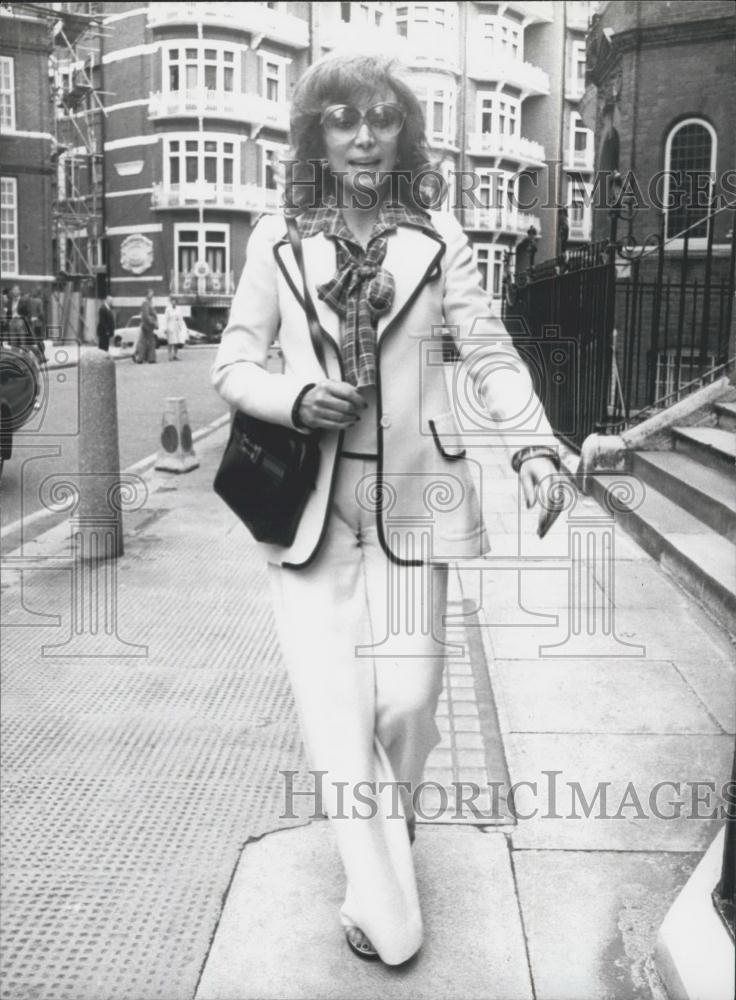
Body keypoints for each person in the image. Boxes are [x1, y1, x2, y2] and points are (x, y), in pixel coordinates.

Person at [211, 53, 562, 966]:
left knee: (406, 702)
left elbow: (489, 350)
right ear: (315, 135)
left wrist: (530, 442)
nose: (363, 135)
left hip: (415, 498)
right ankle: (382, 909)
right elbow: (233, 364)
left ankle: (389, 830)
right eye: (341, 118)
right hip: (311, 507)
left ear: (404, 129)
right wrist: (292, 397)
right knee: (336, 716)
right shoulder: (274, 237)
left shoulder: (437, 235)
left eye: (381, 117)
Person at [134, 289, 158, 364]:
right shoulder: (145, 303)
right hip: (147, 325)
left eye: (152, 294)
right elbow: (146, 315)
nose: (152, 295)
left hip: (148, 325)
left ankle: (141, 358)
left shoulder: (150, 303)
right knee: (149, 342)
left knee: (145, 342)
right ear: (147, 295)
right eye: (151, 294)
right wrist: (153, 323)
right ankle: (150, 359)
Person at [164, 295, 185, 361]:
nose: (174, 302)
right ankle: (169, 356)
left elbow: (181, 318)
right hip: (170, 326)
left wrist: (181, 326)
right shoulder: (168, 309)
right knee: (170, 342)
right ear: (171, 302)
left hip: (176, 327)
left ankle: (175, 355)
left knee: (176, 342)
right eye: (172, 301)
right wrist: (166, 328)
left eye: (175, 301)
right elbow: (165, 319)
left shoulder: (179, 309)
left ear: (176, 302)